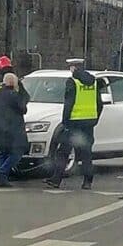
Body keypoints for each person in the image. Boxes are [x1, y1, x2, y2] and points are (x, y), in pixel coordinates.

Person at [45, 58, 103, 190]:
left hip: (73, 123)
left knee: (63, 152)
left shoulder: (72, 82)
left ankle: (56, 179)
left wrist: (65, 122)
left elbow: (68, 103)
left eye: (71, 67)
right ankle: (87, 182)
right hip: (88, 123)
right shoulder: (93, 82)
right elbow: (99, 104)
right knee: (86, 153)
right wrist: (95, 119)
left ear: (74, 68)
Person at [0, 73, 28, 187]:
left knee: (3, 153)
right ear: (14, 83)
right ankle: (1, 172)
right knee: (17, 152)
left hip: (0, 128)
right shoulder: (15, 95)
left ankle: (2, 179)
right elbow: (23, 109)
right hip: (14, 129)